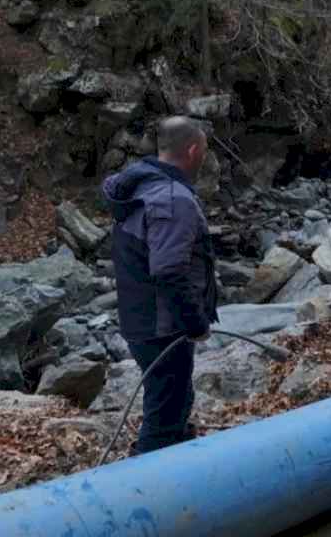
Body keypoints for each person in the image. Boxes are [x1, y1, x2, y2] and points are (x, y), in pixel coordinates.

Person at [102, 116, 218, 456]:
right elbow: (169, 271)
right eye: (205, 151)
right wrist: (196, 323)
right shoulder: (172, 198)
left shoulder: (142, 187)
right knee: (165, 411)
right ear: (194, 150)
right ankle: (148, 491)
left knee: (175, 399)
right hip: (161, 325)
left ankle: (177, 467)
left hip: (142, 318)